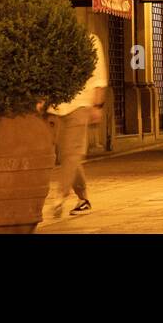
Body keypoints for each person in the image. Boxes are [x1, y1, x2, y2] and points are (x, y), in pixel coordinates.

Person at [46, 30, 107, 218]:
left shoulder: (89, 40)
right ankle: (83, 198)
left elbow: (99, 76)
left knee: (71, 153)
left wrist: (97, 105)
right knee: (65, 155)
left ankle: (59, 196)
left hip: (81, 104)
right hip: (54, 107)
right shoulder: (50, 38)